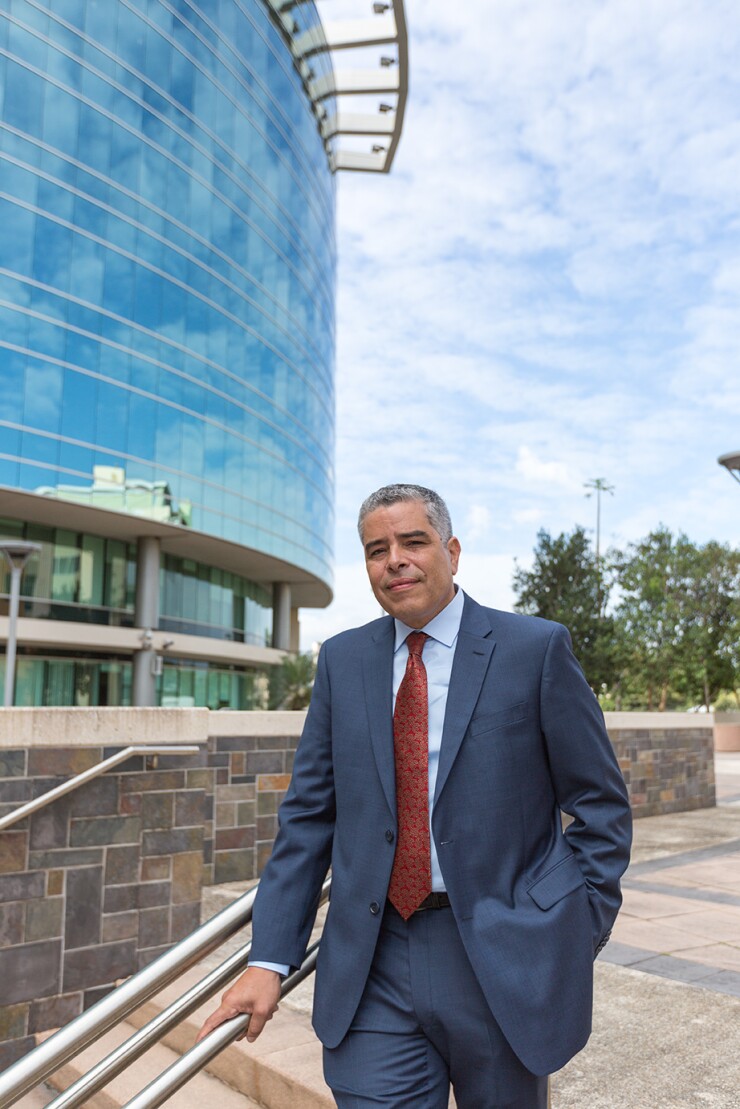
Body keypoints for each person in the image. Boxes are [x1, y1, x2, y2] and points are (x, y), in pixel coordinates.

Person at [198, 484, 632, 1108]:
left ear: (451, 551)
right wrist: (270, 958)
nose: (394, 559)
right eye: (377, 550)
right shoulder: (342, 661)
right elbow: (309, 817)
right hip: (372, 962)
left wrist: (569, 928)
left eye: (413, 542)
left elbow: (600, 805)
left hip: (501, 955)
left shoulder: (534, 650)